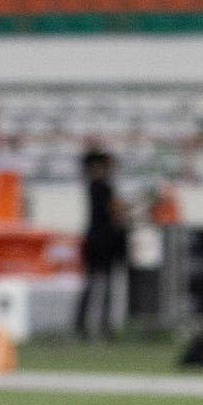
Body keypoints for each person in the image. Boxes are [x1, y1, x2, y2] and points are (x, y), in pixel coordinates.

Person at [76, 146, 127, 343]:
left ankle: (85, 326)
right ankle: (103, 328)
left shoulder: (95, 186)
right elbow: (117, 209)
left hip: (96, 239)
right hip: (103, 240)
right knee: (103, 286)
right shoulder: (102, 187)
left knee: (94, 285)